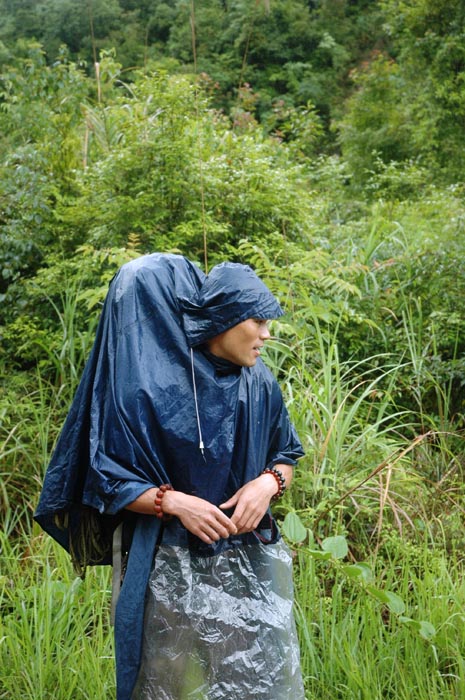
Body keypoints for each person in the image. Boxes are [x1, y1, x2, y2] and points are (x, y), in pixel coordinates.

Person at [35, 253, 305, 700]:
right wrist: (174, 502)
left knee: (256, 675)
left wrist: (268, 482)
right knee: (165, 679)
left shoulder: (258, 382)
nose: (266, 334)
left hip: (245, 556)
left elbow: (286, 453)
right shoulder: (142, 391)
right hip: (161, 559)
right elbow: (106, 478)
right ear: (221, 317)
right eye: (256, 320)